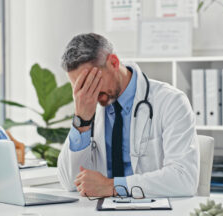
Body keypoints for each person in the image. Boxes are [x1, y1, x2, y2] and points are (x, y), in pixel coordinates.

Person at [57, 33, 199, 198]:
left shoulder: (171, 101)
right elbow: (69, 183)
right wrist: (82, 120)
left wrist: (113, 186)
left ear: (114, 62)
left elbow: (184, 179)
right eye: (81, 87)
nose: (91, 94)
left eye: (93, 82)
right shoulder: (87, 109)